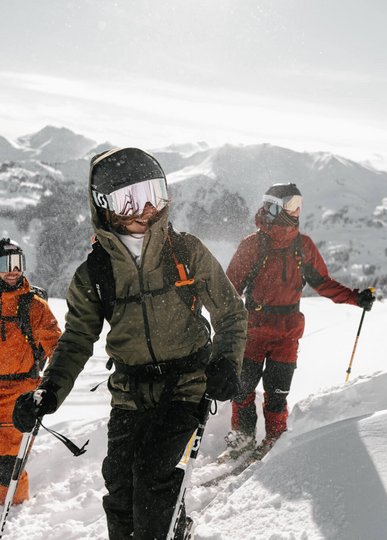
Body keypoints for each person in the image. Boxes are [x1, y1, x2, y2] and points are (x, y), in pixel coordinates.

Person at [12, 148, 247, 539]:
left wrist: (226, 361)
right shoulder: (97, 271)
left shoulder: (185, 252)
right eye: (129, 200)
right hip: (130, 392)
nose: (146, 210)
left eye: (153, 194)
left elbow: (230, 313)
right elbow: (76, 339)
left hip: (186, 385)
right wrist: (48, 391)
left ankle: (169, 530)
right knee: (120, 489)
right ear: (105, 208)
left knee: (153, 476)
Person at [220, 183, 375, 461]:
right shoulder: (252, 245)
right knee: (242, 388)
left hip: (286, 333)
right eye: (291, 205)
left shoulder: (302, 246)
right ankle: (242, 438)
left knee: (277, 393)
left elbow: (323, 283)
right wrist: (222, 328)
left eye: (298, 205)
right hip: (252, 331)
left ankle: (275, 441)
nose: (296, 211)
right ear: (275, 207)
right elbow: (229, 291)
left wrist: (355, 298)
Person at [0, 238, 61, 505]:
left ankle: (12, 512)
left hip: (21, 392)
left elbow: (58, 346)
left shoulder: (33, 306)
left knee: (9, 462)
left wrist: (50, 385)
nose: (13, 270)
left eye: (18, 263)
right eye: (5, 263)